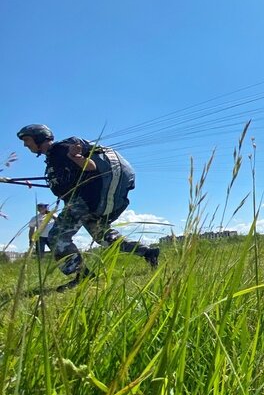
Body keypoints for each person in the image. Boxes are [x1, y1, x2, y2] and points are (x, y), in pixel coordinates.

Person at [17, 124, 159, 292]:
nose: (25, 145)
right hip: (89, 201)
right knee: (105, 237)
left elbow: (91, 167)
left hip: (84, 201)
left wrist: (76, 156)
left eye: (27, 140)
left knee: (57, 237)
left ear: (39, 137)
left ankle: (83, 276)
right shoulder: (53, 158)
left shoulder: (61, 150)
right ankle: (148, 252)